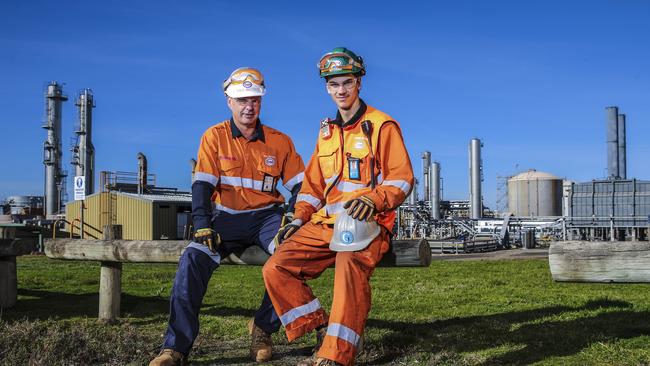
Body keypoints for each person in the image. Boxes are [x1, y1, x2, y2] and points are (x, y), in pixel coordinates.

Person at [262, 47, 414, 366]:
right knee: (276, 266)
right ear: (327, 88)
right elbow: (313, 186)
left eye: (346, 82)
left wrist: (373, 200)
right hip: (325, 225)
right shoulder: (326, 133)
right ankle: (320, 326)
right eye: (333, 85)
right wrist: (297, 218)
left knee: (348, 266)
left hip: (368, 226)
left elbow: (402, 179)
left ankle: (337, 355)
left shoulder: (381, 125)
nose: (340, 91)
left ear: (359, 82)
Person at [150, 67, 305, 366]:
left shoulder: (279, 141)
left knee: (292, 256)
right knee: (192, 260)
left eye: (255, 100)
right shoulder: (214, 137)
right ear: (228, 101)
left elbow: (302, 185)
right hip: (225, 218)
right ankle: (175, 348)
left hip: (267, 217)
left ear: (261, 102)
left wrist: (293, 214)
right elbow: (202, 185)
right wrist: (203, 224)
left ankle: (262, 328)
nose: (249, 106)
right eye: (242, 100)